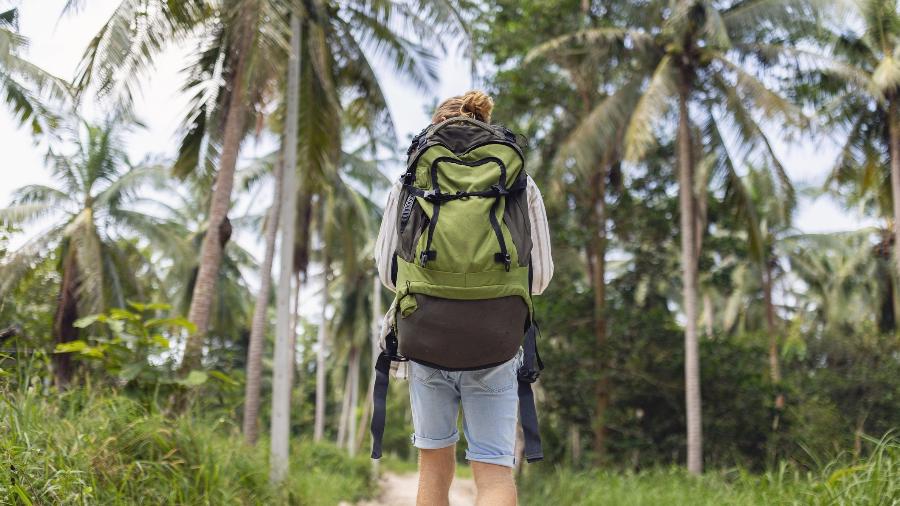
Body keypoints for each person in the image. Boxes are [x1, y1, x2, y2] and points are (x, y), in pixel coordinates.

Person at [374, 90, 553, 506]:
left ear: (435, 129)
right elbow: (539, 278)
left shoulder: (408, 181)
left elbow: (388, 272)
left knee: (433, 472)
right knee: (493, 472)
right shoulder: (519, 182)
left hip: (426, 338)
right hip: (496, 341)